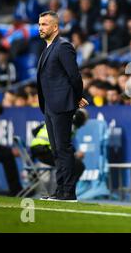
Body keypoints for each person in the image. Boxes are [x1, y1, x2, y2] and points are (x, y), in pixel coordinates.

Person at [36, 11, 88, 202]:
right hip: (50, 106)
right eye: (39, 24)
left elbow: (74, 76)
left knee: (63, 149)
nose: (40, 28)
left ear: (55, 27)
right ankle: (61, 191)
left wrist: (76, 98)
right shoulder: (49, 48)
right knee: (57, 150)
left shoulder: (63, 46)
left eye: (45, 24)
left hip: (61, 105)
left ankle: (68, 192)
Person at [30, 109, 88, 188]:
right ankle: (65, 191)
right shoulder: (70, 126)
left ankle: (64, 190)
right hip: (45, 151)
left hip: (37, 150)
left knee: (70, 162)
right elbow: (63, 145)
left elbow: (34, 131)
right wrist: (75, 154)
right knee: (78, 165)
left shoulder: (56, 119)